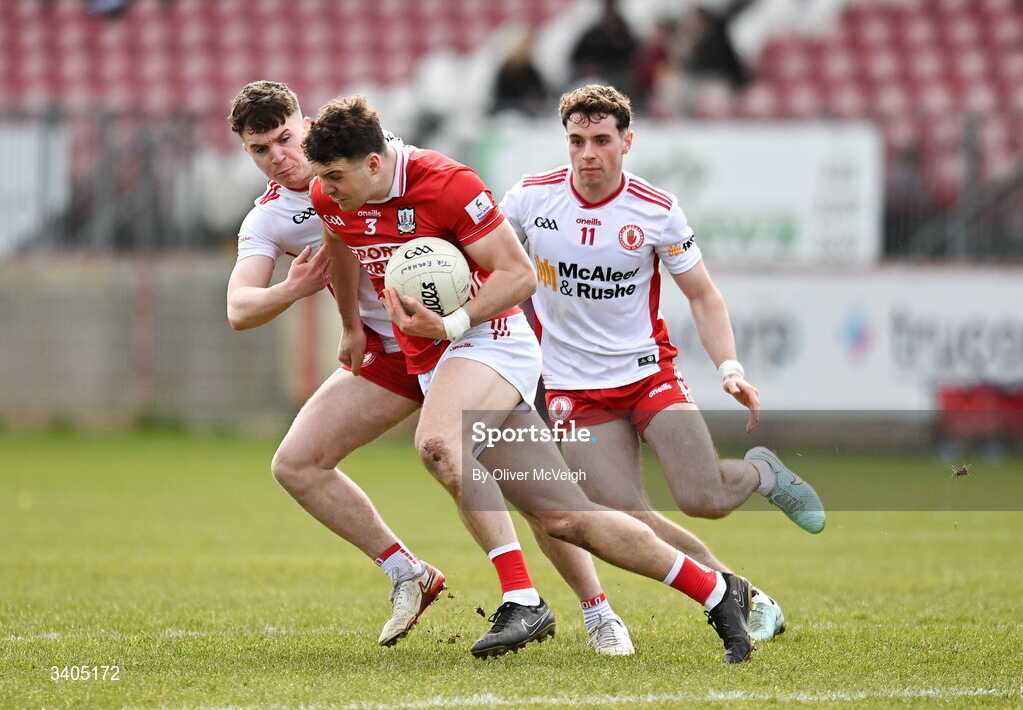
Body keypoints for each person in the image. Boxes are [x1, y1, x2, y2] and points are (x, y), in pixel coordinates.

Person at [304, 93, 758, 663]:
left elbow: (519, 276)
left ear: (374, 164)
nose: (325, 187)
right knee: (568, 517)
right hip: (435, 358)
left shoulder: (447, 184)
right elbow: (338, 238)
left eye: (335, 175)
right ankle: (716, 592)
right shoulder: (331, 192)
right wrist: (351, 324)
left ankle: (522, 598)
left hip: (489, 340)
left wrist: (453, 322)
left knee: (440, 443)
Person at [225, 81, 635, 656]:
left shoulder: (372, 164)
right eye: (261, 150)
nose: (279, 158)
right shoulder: (275, 214)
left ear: (306, 123)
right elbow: (243, 305)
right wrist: (320, 308)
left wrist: (455, 318)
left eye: (285, 139)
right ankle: (407, 572)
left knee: (535, 492)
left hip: (464, 340)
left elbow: (446, 219)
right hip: (393, 356)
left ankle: (598, 612)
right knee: (296, 463)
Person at [499, 83, 828, 642]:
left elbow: (703, 295)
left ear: (628, 142)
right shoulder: (531, 199)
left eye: (602, 140)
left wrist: (730, 367)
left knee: (703, 499)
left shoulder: (655, 210)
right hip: (572, 391)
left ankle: (761, 472)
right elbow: (489, 257)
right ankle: (737, 593)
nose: (588, 154)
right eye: (577, 141)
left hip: (648, 375)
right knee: (623, 518)